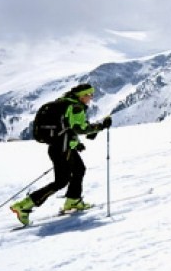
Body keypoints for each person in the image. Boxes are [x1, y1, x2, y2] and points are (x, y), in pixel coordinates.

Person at [10, 83, 112, 225]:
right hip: (63, 149)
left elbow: (66, 128)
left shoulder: (65, 102)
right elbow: (80, 128)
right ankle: (24, 206)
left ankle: (73, 200)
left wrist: (76, 143)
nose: (91, 98)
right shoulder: (76, 107)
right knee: (61, 181)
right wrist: (101, 126)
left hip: (61, 147)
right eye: (90, 95)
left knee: (79, 170)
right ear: (82, 96)